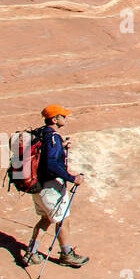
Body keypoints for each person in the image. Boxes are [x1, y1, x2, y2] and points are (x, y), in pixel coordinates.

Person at [21, 105, 89, 268]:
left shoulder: (41, 133)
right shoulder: (53, 138)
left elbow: (45, 155)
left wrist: (61, 147)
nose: (65, 118)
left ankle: (31, 253)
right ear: (54, 119)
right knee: (63, 221)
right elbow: (51, 164)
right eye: (62, 116)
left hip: (37, 187)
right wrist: (72, 178)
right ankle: (66, 255)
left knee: (46, 218)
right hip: (50, 188)